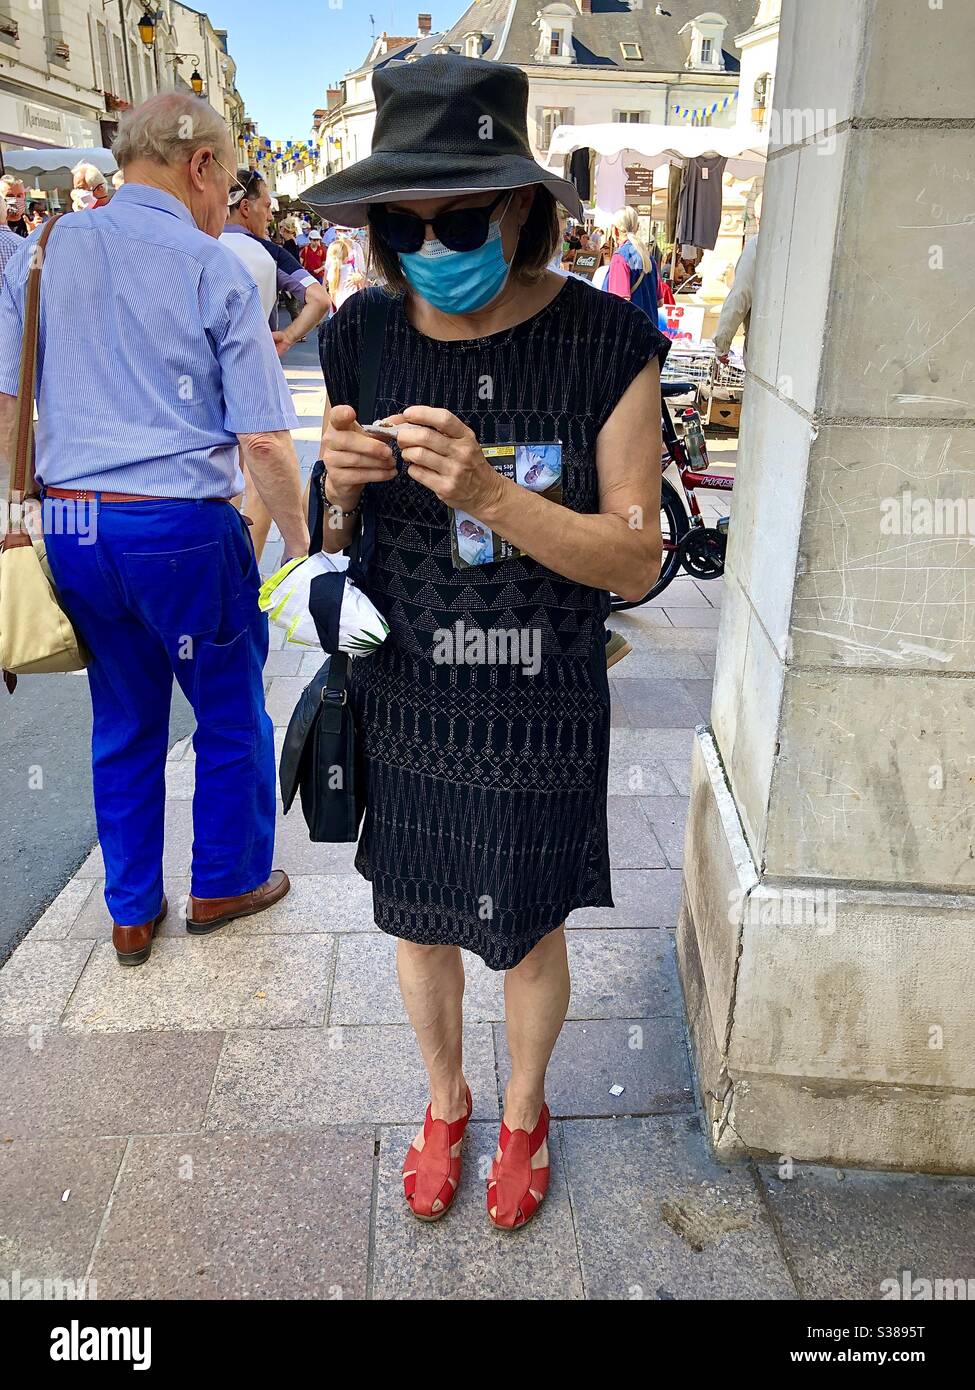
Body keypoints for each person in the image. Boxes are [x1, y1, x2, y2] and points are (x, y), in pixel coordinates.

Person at [309, 52, 666, 1230]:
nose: (428, 244)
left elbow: (635, 556)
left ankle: (522, 1108)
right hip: (406, 685)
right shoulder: (359, 334)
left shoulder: (609, 340)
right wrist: (342, 489)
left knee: (524, 927)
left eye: (457, 217)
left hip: (538, 692)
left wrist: (494, 497)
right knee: (416, 918)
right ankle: (445, 1099)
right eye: (399, 225)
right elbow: (334, 529)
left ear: (519, 208)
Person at [0, 93, 309, 966]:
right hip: (177, 527)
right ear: (201, 165)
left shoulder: (45, 249)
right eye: (227, 179)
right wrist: (306, 544)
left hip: (70, 524)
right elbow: (260, 436)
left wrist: (23, 511)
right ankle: (223, 881)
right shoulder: (210, 267)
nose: (226, 201)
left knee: (124, 719)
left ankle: (131, 909)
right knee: (228, 711)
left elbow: (10, 401)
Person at [220, 169, 330, 559]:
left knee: (222, 478)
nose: (270, 215)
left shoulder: (195, 242)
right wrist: (290, 335)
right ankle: (257, 575)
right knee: (261, 473)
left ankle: (227, 567)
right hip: (253, 372)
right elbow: (319, 299)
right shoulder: (264, 252)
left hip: (193, 385)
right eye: (266, 206)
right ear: (245, 206)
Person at [714, 194, 762, 365]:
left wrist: (722, 343)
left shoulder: (758, 246)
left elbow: (740, 296)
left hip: (764, 344)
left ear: (758, 219)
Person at [603, 206, 660, 321]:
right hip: (650, 329)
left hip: (628, 331)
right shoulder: (648, 258)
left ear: (615, 230)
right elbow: (660, 301)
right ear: (637, 227)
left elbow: (618, 303)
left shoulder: (620, 258)